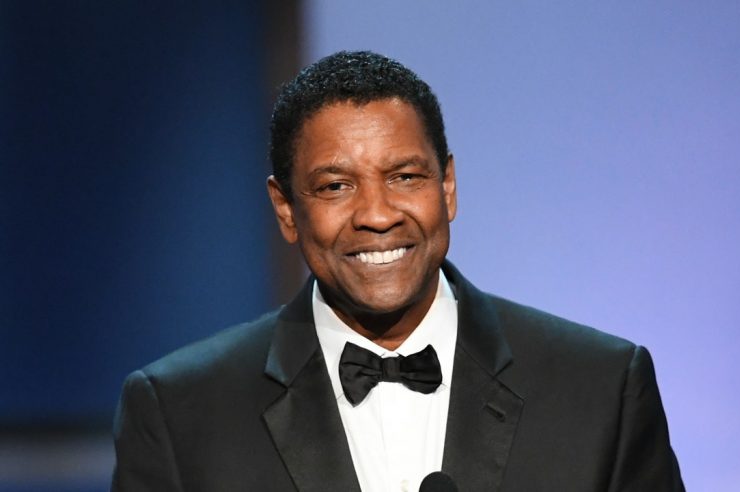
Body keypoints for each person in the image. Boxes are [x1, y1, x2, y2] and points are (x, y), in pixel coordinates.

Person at [111, 51, 684, 492]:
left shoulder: (600, 388)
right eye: (336, 186)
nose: (378, 215)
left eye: (405, 177)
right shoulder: (181, 411)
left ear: (447, 186)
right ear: (285, 209)